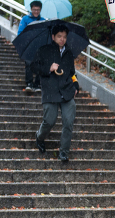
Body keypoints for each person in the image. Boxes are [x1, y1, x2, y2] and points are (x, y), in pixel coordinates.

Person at [32, 23, 80, 162]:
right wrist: (49, 67)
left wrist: (75, 85)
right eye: (59, 36)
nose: (62, 39)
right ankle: (40, 137)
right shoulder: (44, 50)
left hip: (67, 92)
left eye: (64, 37)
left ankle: (64, 152)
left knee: (68, 122)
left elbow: (72, 72)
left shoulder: (68, 53)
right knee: (49, 120)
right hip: (50, 91)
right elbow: (33, 67)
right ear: (53, 36)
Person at [17, 0, 46, 94]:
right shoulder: (25, 19)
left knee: (39, 64)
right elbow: (20, 32)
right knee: (29, 64)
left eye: (38, 10)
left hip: (39, 46)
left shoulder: (43, 20)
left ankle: (37, 84)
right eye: (34, 9)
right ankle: (29, 83)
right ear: (31, 9)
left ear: (40, 10)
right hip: (29, 45)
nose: (36, 12)